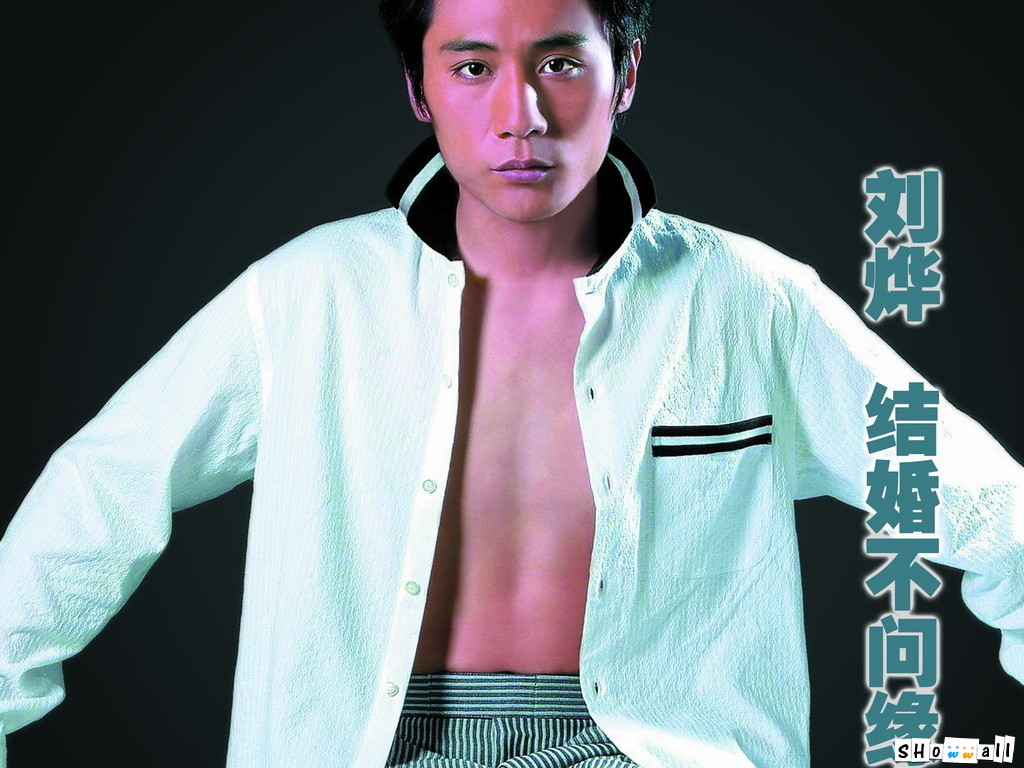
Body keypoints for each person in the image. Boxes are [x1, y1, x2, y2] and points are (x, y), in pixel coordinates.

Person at [1, 1, 1021, 767]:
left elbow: (977, 497)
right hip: (366, 741)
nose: (520, 114)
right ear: (419, 88)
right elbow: (104, 491)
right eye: (473, 66)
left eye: (561, 63)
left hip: (651, 746)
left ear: (626, 73)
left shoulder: (749, 297)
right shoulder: (309, 292)